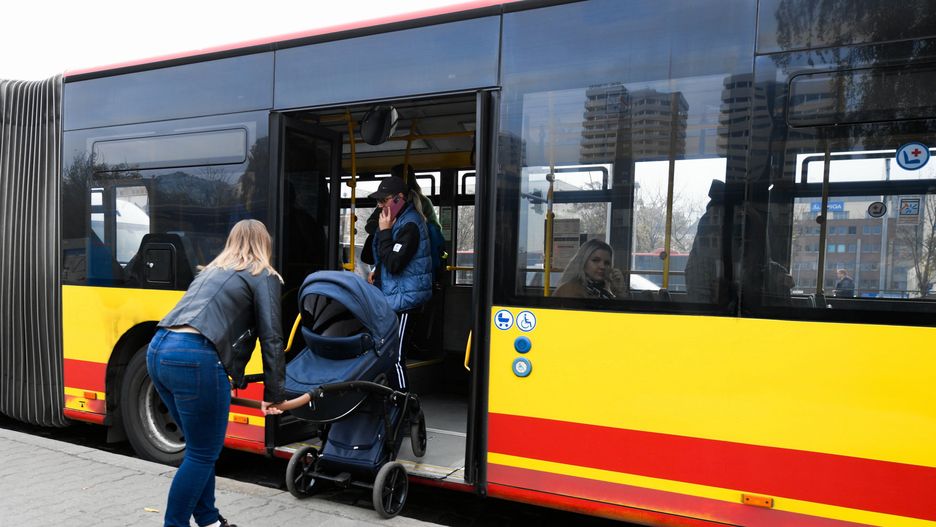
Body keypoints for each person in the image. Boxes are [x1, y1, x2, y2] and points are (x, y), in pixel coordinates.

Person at [147, 219, 286, 527]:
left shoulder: (210, 271)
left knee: (200, 447)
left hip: (158, 349)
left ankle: (209, 520)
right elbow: (272, 337)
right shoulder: (262, 274)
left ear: (231, 241)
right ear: (265, 243)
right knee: (202, 453)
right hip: (195, 357)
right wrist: (275, 394)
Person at [367, 176, 432, 390]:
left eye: (383, 200)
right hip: (393, 297)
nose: (380, 206)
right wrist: (377, 270)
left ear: (399, 199)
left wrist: (385, 231)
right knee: (385, 354)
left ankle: (404, 402)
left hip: (406, 301)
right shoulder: (396, 221)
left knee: (395, 356)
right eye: (378, 202)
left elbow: (395, 263)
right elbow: (379, 256)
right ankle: (392, 398)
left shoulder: (410, 224)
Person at [554, 239, 626, 299]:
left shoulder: (601, 291)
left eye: (607, 263)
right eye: (596, 260)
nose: (602, 266)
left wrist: (620, 291)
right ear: (583, 262)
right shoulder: (570, 290)